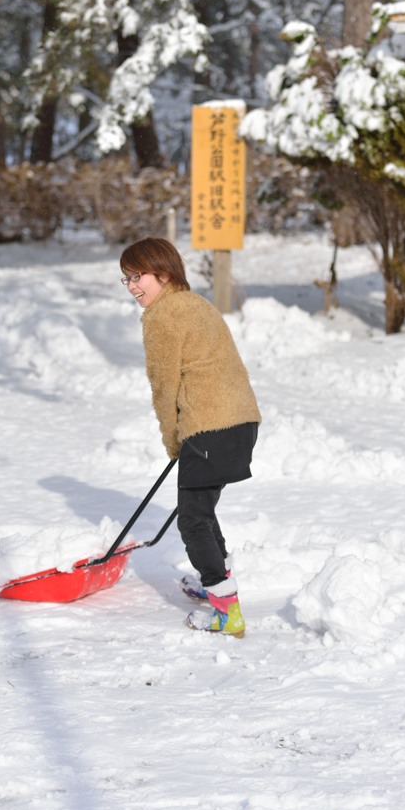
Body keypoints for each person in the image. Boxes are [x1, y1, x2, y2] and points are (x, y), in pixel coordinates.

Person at [120, 236, 261, 638]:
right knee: (203, 508)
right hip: (242, 422)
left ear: (163, 274)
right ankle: (215, 582)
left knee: (192, 519)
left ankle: (225, 611)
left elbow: (163, 387)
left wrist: (172, 439)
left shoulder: (162, 317)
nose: (132, 286)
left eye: (137, 276)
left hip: (207, 428)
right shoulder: (199, 304)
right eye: (126, 279)